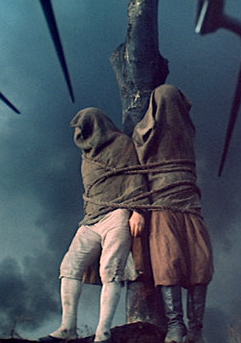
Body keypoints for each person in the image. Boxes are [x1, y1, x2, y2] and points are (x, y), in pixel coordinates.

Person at [40, 108, 150, 343]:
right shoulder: (87, 154)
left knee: (111, 270)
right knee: (70, 266)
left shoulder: (121, 144)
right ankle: (68, 328)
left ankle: (103, 332)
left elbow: (135, 176)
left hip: (117, 214)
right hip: (91, 219)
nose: (81, 135)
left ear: (96, 126)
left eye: (85, 129)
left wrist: (138, 211)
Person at [132, 85, 214, 343]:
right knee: (168, 264)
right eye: (164, 102)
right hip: (163, 207)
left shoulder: (187, 131)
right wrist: (137, 210)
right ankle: (175, 326)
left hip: (190, 206)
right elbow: (137, 174)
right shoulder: (144, 134)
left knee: (200, 264)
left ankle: (196, 330)